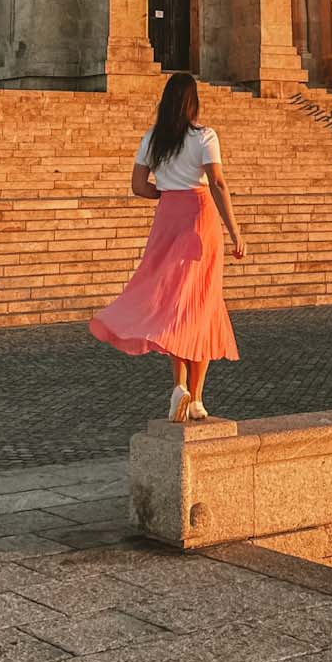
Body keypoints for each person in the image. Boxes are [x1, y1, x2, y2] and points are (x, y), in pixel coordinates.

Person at [88, 71, 244, 422]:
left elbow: (138, 187)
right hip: (199, 219)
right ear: (193, 101)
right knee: (202, 305)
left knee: (174, 306)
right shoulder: (205, 136)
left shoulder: (153, 139)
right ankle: (199, 398)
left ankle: (179, 387)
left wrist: (168, 193)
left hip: (167, 218)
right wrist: (235, 231)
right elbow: (216, 181)